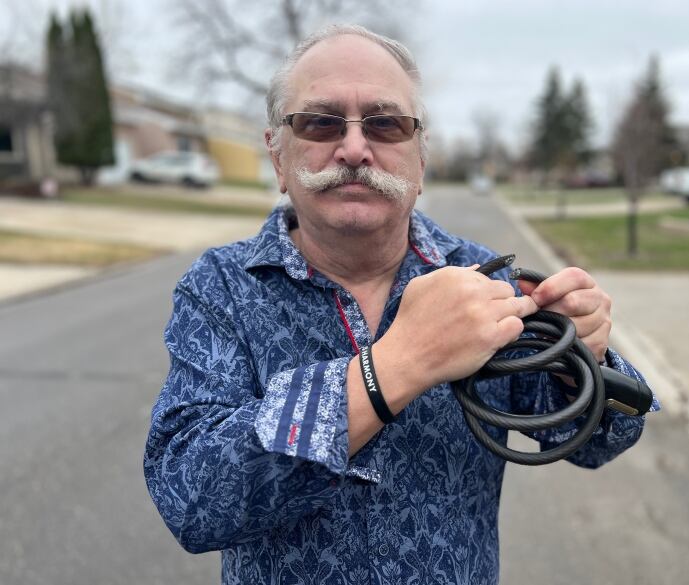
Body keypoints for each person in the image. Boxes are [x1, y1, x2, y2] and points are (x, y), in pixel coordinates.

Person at [144, 24, 658, 585]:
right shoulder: (222, 286)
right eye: (320, 122)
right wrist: (397, 365)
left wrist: (585, 357)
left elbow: (596, 440)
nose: (356, 149)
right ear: (277, 154)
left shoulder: (486, 280)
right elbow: (190, 500)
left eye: (386, 123)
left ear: (421, 157)